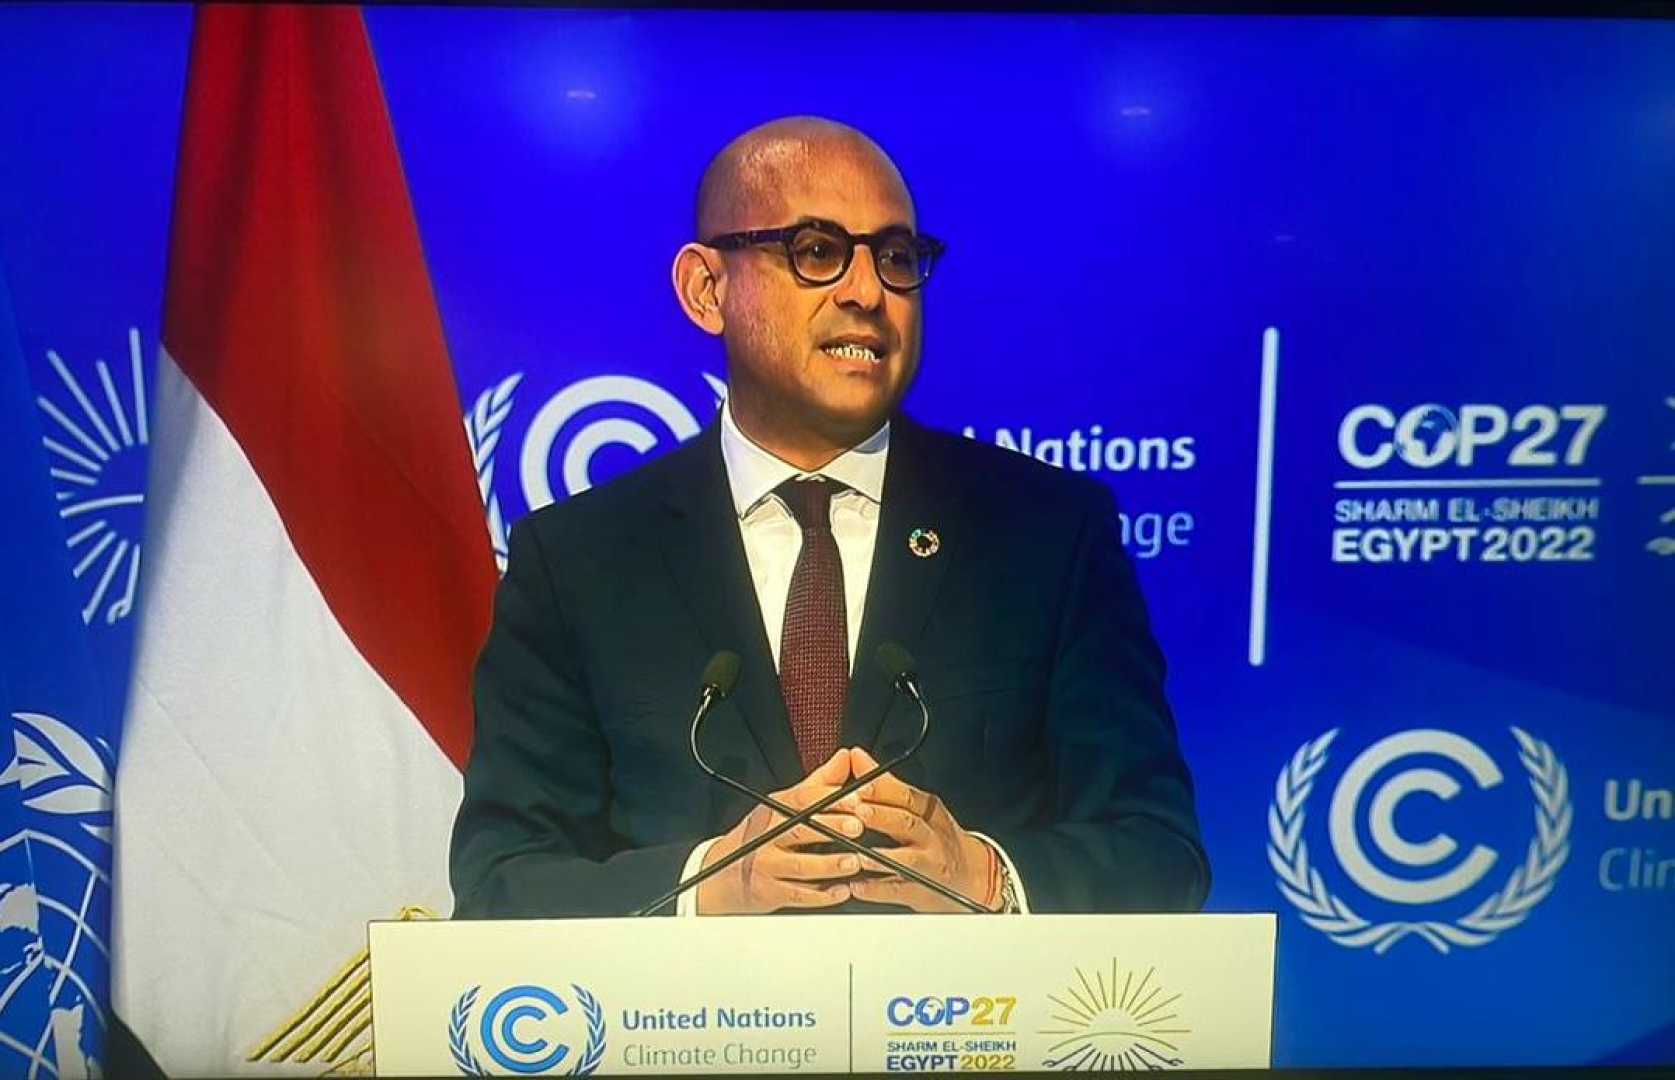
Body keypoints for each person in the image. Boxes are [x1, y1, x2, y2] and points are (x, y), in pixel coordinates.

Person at [450, 116, 1208, 917]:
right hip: (697, 1003)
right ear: (707, 289)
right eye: (817, 251)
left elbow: (1159, 853)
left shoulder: (1049, 535)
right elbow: (502, 880)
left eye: (896, 258)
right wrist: (709, 886)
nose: (867, 293)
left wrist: (982, 876)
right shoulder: (578, 560)